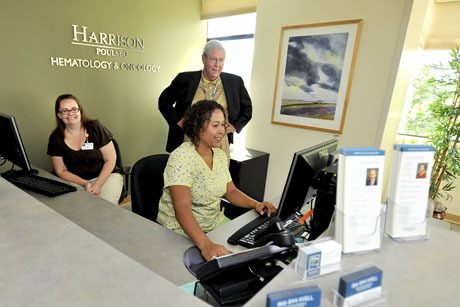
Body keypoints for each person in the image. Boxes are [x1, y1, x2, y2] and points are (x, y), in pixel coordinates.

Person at [156, 100, 276, 261]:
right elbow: (182, 209)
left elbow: (231, 191)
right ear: (199, 127)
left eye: (223, 125)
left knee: (248, 252)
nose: (222, 131)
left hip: (213, 223)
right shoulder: (181, 157)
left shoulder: (218, 154)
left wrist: (256, 204)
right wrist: (206, 245)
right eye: (215, 125)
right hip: (180, 230)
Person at [158, 40, 252, 158]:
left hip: (219, 144)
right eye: (213, 59)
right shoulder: (184, 79)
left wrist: (234, 126)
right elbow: (163, 101)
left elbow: (247, 109)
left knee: (218, 175)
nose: (217, 64)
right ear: (203, 58)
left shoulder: (235, 82)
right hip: (188, 141)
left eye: (221, 60)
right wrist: (178, 121)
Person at [47, 94, 123, 204]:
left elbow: (110, 159)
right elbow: (61, 170)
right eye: (65, 110)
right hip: (76, 181)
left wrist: (97, 185)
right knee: (79, 208)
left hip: (105, 176)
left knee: (103, 207)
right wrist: (84, 183)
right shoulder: (55, 138)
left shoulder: (95, 128)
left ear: (80, 111)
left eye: (74, 109)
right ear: (59, 115)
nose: (70, 113)